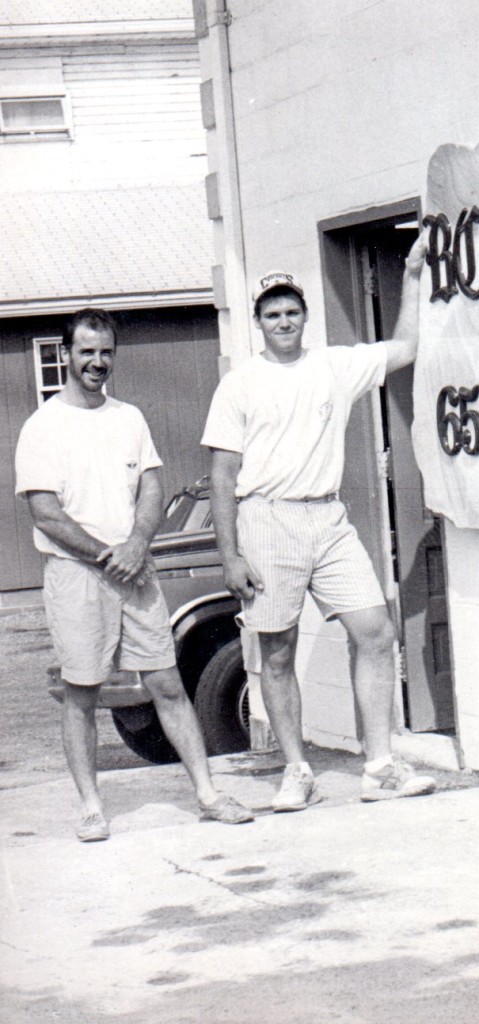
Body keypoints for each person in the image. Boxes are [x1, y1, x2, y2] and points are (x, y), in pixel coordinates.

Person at [202, 235, 436, 811]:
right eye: (272, 313)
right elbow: (222, 474)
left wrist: (410, 275)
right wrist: (230, 554)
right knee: (276, 651)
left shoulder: (334, 364)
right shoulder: (239, 383)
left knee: (375, 631)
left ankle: (378, 765)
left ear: (305, 314)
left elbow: (405, 346)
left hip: (326, 518)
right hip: (266, 520)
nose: (284, 320)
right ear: (258, 322)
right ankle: (297, 770)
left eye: (292, 311)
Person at [14, 308, 253, 842]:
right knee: (82, 690)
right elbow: (46, 513)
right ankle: (92, 809)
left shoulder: (129, 418)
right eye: (86, 352)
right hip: (77, 574)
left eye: (105, 353)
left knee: (167, 682)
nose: (97, 362)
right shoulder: (42, 427)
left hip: (135, 568)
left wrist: (139, 543)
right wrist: (108, 555)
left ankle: (209, 795)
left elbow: (150, 487)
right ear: (65, 355)